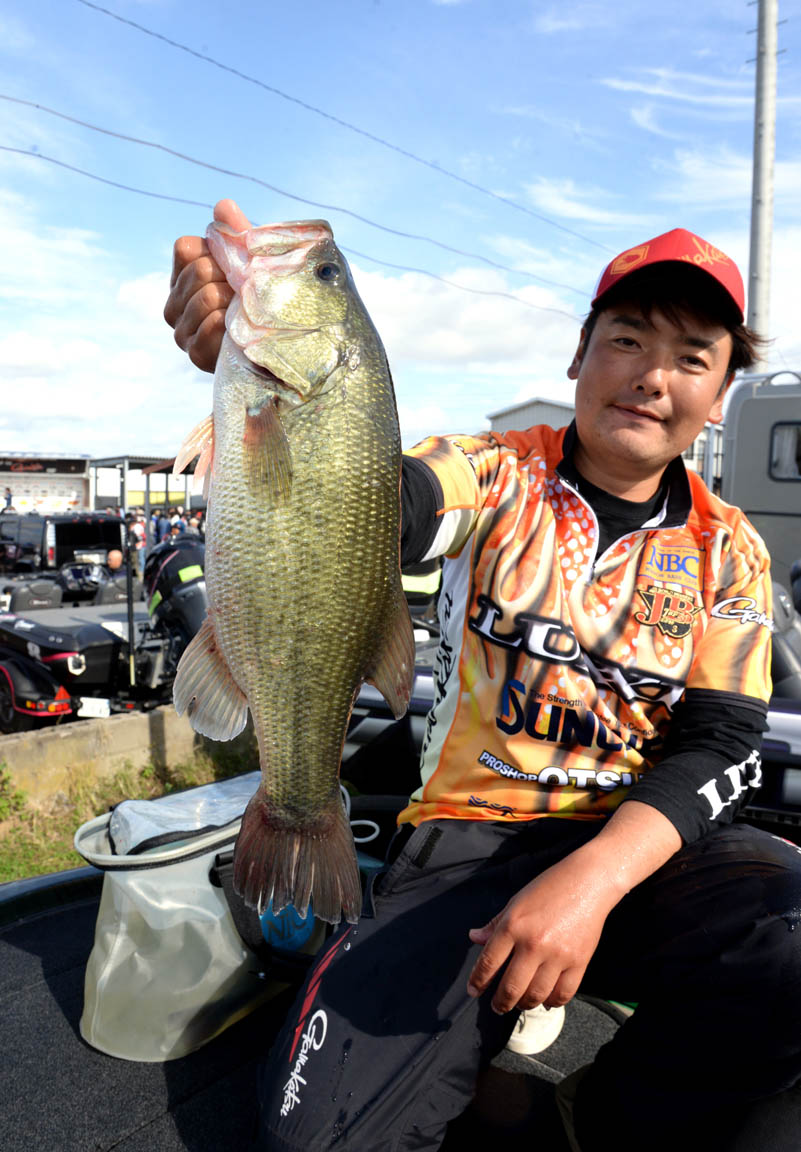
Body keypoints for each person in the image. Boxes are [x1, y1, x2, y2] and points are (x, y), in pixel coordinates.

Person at [164, 201, 801, 1152]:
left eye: (691, 357)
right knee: (317, 1140)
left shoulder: (729, 548)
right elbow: (385, 501)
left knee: (789, 937)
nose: (651, 376)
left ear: (718, 397)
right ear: (579, 357)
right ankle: (485, 1075)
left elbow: (722, 742)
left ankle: (596, 1114)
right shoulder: (494, 471)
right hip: (467, 845)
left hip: (635, 852)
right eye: (626, 339)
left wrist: (586, 886)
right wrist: (259, 388)